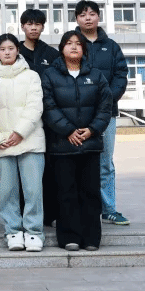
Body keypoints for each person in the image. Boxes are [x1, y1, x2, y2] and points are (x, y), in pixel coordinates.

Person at [40, 31, 113, 252]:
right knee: (66, 192)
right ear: (62, 48)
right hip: (62, 145)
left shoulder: (96, 75)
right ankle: (69, 237)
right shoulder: (50, 75)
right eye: (69, 43)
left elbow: (105, 106)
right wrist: (68, 130)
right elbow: (48, 106)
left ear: (84, 49)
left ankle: (91, 238)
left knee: (90, 192)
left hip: (90, 144)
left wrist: (92, 130)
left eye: (78, 44)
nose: (74, 47)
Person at [0, 33, 46, 253]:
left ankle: (34, 231)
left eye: (11, 48)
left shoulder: (31, 76)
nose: (7, 52)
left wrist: (20, 132)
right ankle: (12, 231)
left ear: (18, 50)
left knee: (33, 189)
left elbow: (35, 106)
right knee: (7, 190)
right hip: (2, 142)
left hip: (30, 139)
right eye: (2, 49)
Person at [74, 0, 130, 226]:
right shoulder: (72, 43)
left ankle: (109, 209)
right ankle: (80, 209)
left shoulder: (112, 47)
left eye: (92, 14)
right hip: (77, 114)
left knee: (105, 163)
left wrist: (106, 102)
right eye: (82, 14)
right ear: (76, 19)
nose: (87, 18)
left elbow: (120, 76)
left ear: (98, 17)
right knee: (78, 162)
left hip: (106, 115)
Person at [19, 8, 60, 227]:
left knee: (49, 168)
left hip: (48, 119)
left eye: (37, 24)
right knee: (22, 168)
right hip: (20, 119)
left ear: (43, 27)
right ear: (22, 26)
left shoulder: (52, 55)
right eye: (29, 24)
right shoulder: (14, 51)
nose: (33, 28)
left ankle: (50, 214)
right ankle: (23, 214)